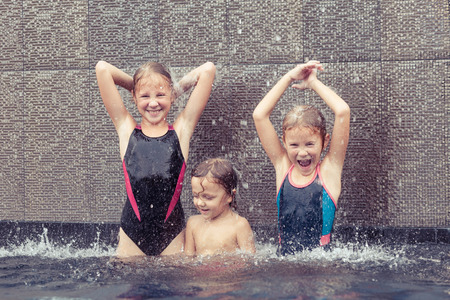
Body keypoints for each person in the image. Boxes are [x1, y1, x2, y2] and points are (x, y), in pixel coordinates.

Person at [95, 60, 216, 257]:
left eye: (160, 95)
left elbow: (208, 70)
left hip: (172, 235)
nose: (153, 103)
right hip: (131, 236)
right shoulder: (126, 129)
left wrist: (172, 91)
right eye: (145, 96)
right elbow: (102, 68)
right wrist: (139, 84)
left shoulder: (181, 130)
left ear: (170, 96)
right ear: (134, 97)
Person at [252, 61, 350, 255]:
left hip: (321, 266)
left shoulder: (329, 170)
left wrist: (313, 83)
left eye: (310, 144)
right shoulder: (283, 167)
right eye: (294, 145)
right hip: (284, 263)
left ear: (325, 141)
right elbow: (259, 115)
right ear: (284, 142)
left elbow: (343, 111)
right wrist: (288, 77)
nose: (302, 152)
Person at [184, 158, 256, 256]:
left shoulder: (239, 225)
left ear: (230, 195)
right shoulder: (193, 223)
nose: (200, 203)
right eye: (196, 196)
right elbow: (188, 259)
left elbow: (250, 261)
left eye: (208, 197)